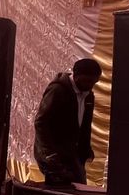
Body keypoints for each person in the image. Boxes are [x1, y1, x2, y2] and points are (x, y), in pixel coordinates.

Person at [33, 57, 102, 186]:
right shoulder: (58, 91)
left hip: (72, 152)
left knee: (79, 187)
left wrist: (85, 149)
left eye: (94, 82)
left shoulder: (88, 96)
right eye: (87, 81)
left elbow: (85, 126)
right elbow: (41, 122)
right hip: (53, 153)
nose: (91, 86)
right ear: (76, 76)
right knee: (62, 188)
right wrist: (49, 154)